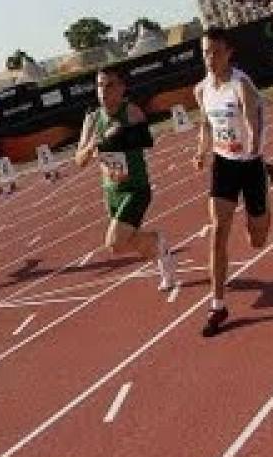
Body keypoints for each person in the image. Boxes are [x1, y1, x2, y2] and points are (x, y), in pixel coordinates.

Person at [192, 27, 273, 337]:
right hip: (224, 166)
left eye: (215, 52)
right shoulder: (202, 89)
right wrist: (202, 151)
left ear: (229, 52)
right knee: (218, 231)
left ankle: (265, 184)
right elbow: (205, 124)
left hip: (250, 164)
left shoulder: (240, 84)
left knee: (257, 239)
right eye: (205, 52)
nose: (209, 58)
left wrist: (254, 147)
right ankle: (217, 305)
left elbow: (251, 121)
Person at [75, 66, 178, 291]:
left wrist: (120, 135)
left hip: (136, 188)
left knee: (114, 242)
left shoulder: (132, 112)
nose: (103, 90)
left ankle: (160, 246)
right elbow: (79, 161)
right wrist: (95, 143)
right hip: (111, 190)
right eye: (100, 85)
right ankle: (160, 248)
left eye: (110, 85)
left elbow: (146, 141)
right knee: (125, 243)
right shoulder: (92, 120)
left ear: (122, 88)